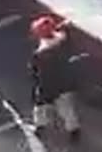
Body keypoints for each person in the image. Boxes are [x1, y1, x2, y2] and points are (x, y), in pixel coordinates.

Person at [30, 15, 81, 144]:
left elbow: (36, 72)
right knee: (67, 109)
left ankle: (40, 127)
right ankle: (74, 131)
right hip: (65, 82)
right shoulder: (61, 40)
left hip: (47, 86)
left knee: (40, 108)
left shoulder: (40, 53)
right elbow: (62, 32)